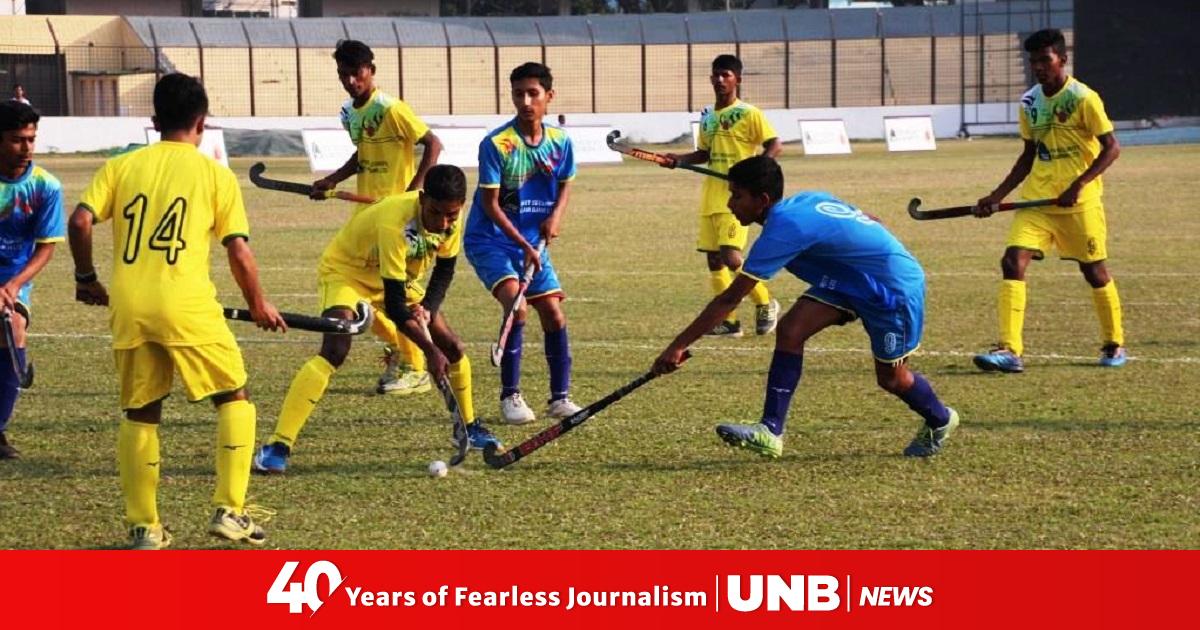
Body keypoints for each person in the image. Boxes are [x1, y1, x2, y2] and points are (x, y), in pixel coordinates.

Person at [69, 73, 286, 550]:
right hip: (186, 305)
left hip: (129, 305)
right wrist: (258, 304)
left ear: (154, 121)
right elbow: (238, 251)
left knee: (141, 411)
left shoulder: (122, 166)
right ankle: (231, 510)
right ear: (201, 123)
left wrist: (86, 277)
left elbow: (81, 220)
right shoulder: (214, 174)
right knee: (234, 396)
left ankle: (144, 525)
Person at [652, 156, 959, 459]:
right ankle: (770, 431)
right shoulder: (806, 201)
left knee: (892, 379)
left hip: (892, 289)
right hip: (848, 280)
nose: (731, 204)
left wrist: (677, 346)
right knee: (790, 330)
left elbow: (729, 299)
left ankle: (941, 419)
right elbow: (864, 217)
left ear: (762, 199)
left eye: (737, 196)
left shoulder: (784, 229)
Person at [253, 164, 500, 473]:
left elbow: (445, 270)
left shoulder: (451, 218)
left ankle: (470, 427)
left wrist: (428, 306)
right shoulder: (395, 222)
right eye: (436, 213)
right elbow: (397, 309)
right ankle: (278, 445)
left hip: (396, 276)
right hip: (349, 272)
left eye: (451, 215)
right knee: (335, 349)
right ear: (422, 198)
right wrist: (427, 349)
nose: (442, 222)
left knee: (452, 347)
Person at [972, 28, 1124, 373]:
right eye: (1034, 61)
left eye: (1046, 60)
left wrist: (1079, 184)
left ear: (1062, 60)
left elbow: (1112, 147)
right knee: (1012, 262)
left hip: (1078, 204)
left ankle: (1114, 342)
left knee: (1094, 271)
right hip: (1037, 202)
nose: (1039, 67)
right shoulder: (1029, 103)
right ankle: (1010, 350)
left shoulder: (1084, 98)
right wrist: (996, 197)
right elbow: (1028, 155)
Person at [314, 39, 445, 397]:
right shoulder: (348, 112)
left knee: (389, 294)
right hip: (368, 215)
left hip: (396, 218)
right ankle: (402, 352)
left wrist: (415, 193)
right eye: (344, 74)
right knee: (360, 291)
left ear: (371, 70)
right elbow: (363, 153)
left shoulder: (391, 108)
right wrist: (332, 180)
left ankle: (415, 365)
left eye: (357, 73)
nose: (351, 81)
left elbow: (433, 144)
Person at [465, 62, 581, 426]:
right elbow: (490, 205)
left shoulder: (561, 142)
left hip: (533, 241)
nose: (526, 101)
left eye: (533, 94)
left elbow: (565, 184)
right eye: (519, 94)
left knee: (553, 312)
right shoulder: (497, 144)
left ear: (549, 97)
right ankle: (510, 396)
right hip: (492, 240)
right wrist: (525, 245)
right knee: (517, 308)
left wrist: (555, 217)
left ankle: (560, 398)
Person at [664, 54, 782, 338]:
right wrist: (677, 160)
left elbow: (774, 144)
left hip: (738, 199)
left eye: (726, 75)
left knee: (731, 257)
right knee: (714, 260)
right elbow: (704, 154)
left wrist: (758, 172)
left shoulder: (749, 113)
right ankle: (728, 321)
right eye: (716, 75)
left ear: (737, 79)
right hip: (711, 196)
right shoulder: (707, 116)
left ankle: (766, 303)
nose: (720, 80)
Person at [0, 101, 64, 460]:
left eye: (31, 139)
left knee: (13, 325)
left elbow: (45, 249)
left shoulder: (45, 187)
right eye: (16, 140)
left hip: (13, 278)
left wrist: (11, 286)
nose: (26, 148)